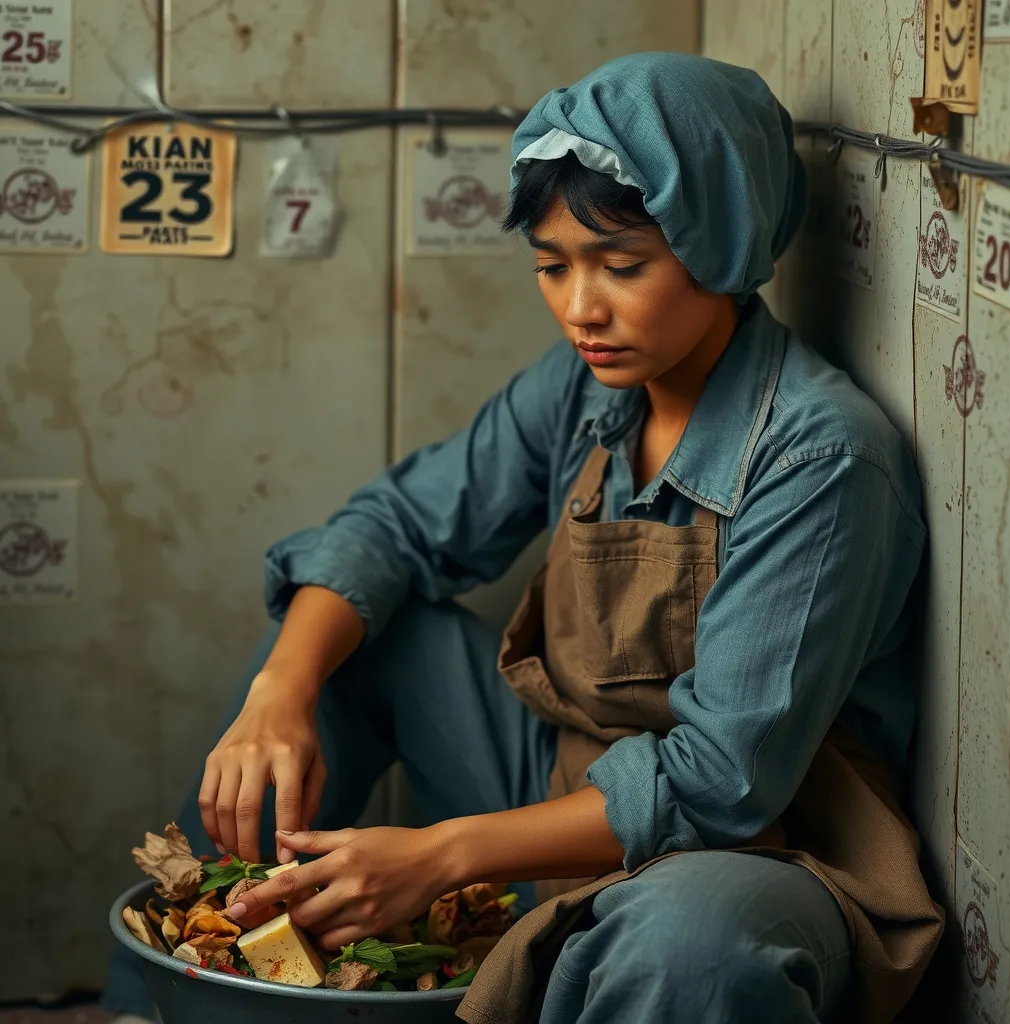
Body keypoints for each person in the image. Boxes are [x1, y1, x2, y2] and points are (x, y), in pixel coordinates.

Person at [105, 52, 942, 1024]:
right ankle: (185, 993)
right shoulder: (582, 388)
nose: (581, 306)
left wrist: (441, 851)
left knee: (692, 947)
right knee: (346, 640)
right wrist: (276, 694)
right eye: (553, 265)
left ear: (722, 240)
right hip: (560, 778)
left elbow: (722, 785)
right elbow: (396, 526)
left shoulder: (822, 455)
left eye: (621, 266)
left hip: (763, 849)